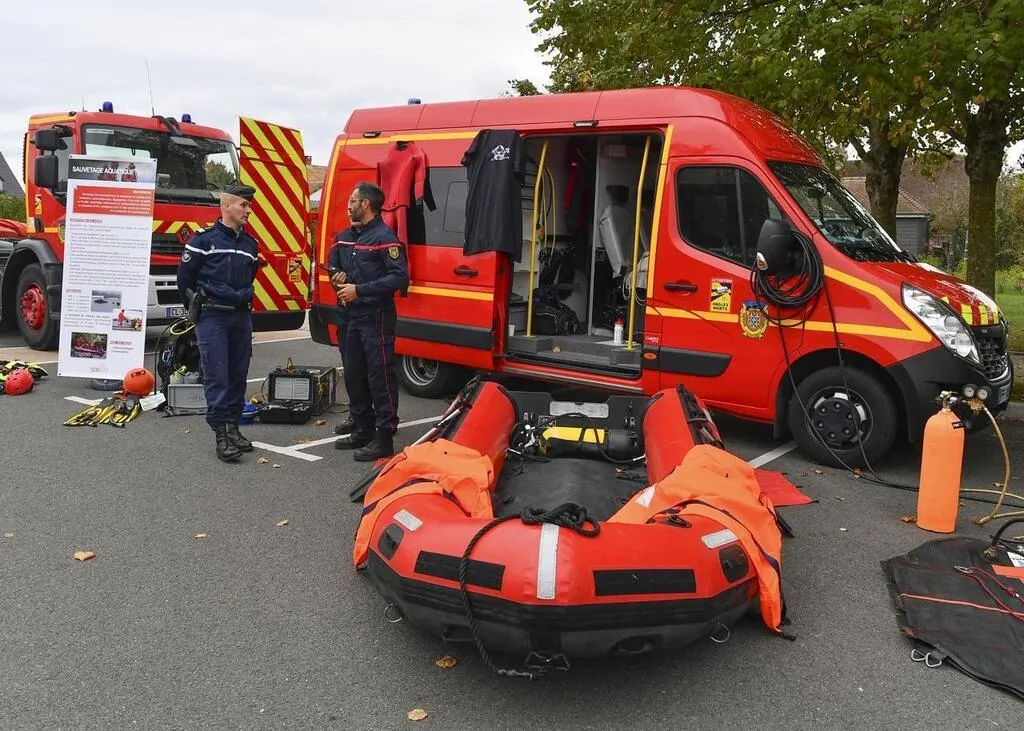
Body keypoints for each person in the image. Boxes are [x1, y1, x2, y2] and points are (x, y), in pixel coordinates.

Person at [176, 181, 261, 462]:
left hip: (240, 317)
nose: (248, 210)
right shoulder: (203, 241)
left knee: (238, 374)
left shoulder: (250, 244)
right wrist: (196, 310)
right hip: (213, 317)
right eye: (243, 205)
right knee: (217, 377)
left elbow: (250, 277)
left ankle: (233, 427)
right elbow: (184, 282)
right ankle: (221, 435)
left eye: (249, 205)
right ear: (226, 205)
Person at [331, 182, 409, 461]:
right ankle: (363, 428)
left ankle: (384, 437)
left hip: (376, 317)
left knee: (380, 375)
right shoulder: (353, 236)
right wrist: (338, 279)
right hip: (351, 316)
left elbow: (399, 277)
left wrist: (359, 290)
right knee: (353, 373)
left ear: (365, 204)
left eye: (353, 200)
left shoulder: (384, 237)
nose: (349, 205)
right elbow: (337, 267)